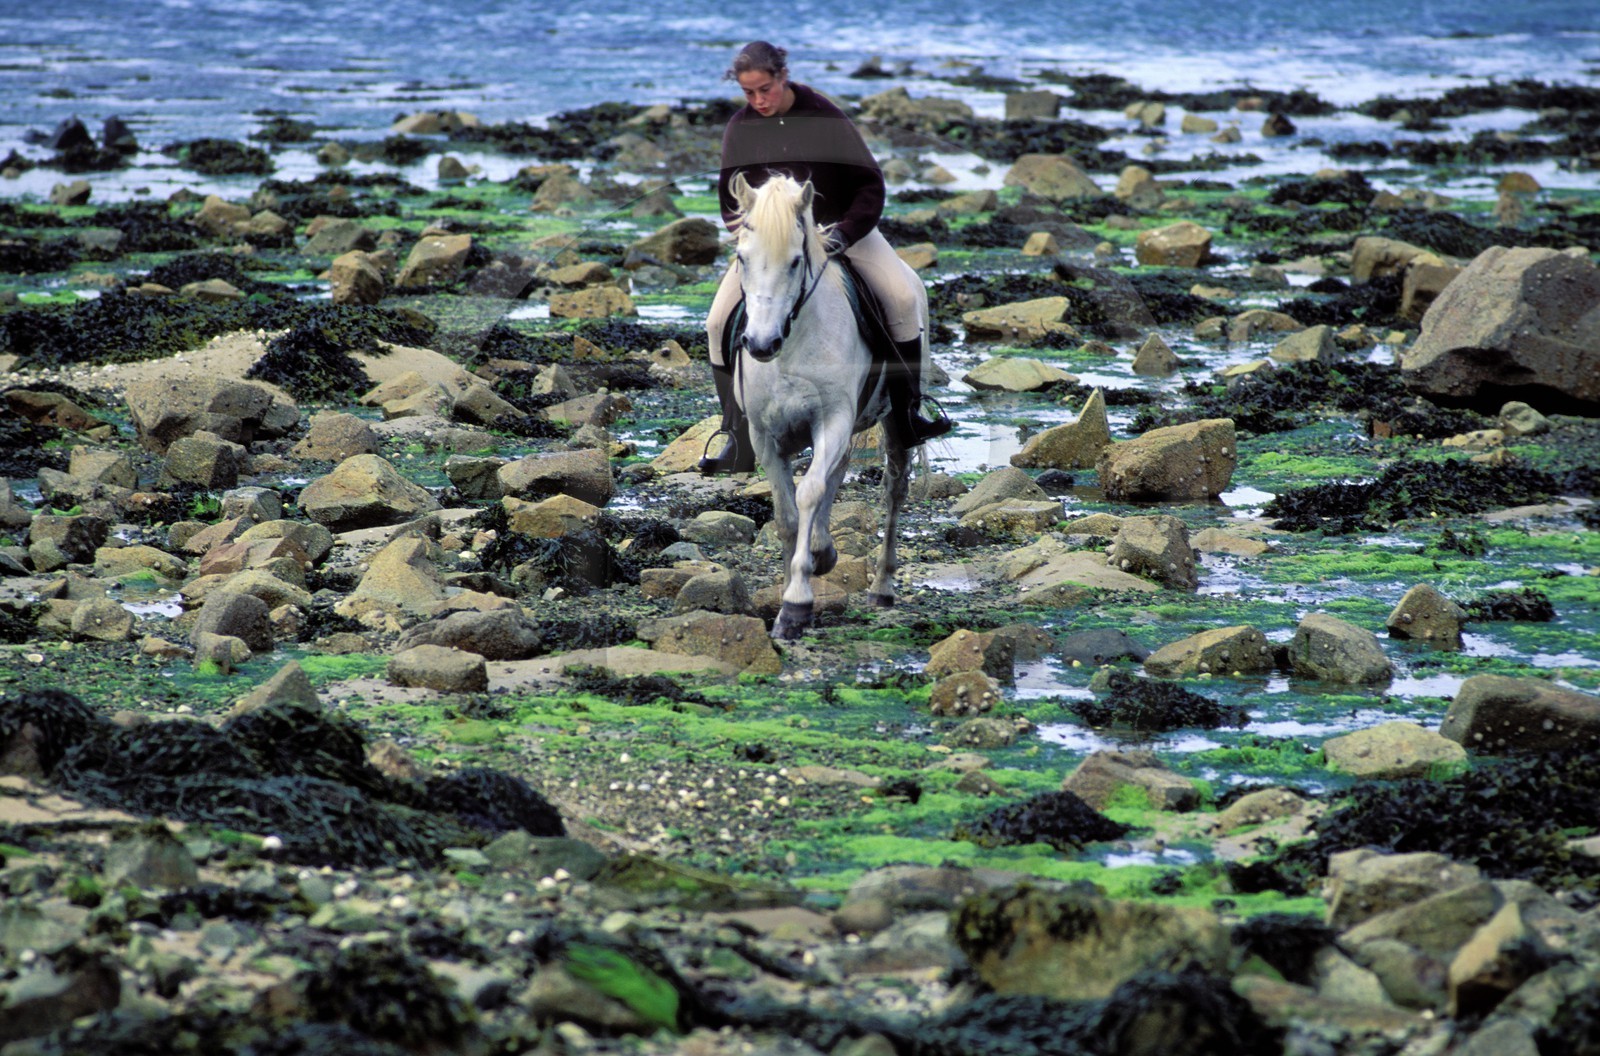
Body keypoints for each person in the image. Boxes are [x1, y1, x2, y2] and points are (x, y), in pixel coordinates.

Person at [698, 40, 951, 475]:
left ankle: (910, 413)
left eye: (765, 90)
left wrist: (843, 236)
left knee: (903, 299)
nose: (758, 101)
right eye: (748, 93)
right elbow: (728, 200)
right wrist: (754, 239)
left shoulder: (825, 117)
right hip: (774, 250)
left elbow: (871, 186)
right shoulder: (740, 128)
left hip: (842, 234)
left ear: (782, 77)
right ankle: (735, 433)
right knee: (717, 321)